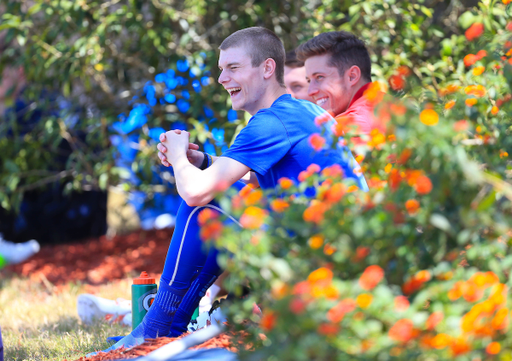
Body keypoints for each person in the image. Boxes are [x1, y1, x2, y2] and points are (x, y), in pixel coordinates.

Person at [97, 26, 362, 354]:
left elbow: (194, 193)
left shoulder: (269, 123)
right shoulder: (302, 111)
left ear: (267, 68)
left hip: (318, 280)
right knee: (226, 198)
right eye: (221, 69)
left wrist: (179, 155)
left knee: (204, 205)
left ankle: (158, 327)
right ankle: (167, 327)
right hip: (339, 266)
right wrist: (204, 160)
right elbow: (270, 179)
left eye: (233, 68)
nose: (222, 79)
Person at [296, 31, 380, 135]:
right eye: (309, 81)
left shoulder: (348, 127)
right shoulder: (394, 109)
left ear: (352, 76)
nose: (310, 91)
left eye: (320, 77)